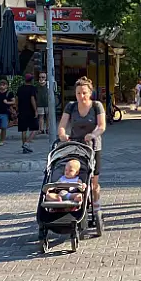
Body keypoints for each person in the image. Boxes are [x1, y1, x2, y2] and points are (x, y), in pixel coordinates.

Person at [58, 77, 106, 217]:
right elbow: (62, 125)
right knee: (74, 176)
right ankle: (74, 202)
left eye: (84, 93)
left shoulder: (96, 106)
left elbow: (102, 126)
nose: (81, 96)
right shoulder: (71, 106)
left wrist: (93, 134)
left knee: (93, 181)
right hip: (75, 146)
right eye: (78, 93)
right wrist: (62, 134)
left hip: (92, 146)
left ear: (90, 92)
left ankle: (96, 207)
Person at [16, 74, 39, 153]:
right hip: (30, 111)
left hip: (22, 110)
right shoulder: (32, 88)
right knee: (35, 128)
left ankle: (24, 148)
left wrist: (16, 109)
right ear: (31, 80)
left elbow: (17, 99)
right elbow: (32, 99)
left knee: (23, 130)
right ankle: (27, 143)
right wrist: (35, 110)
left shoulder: (20, 88)